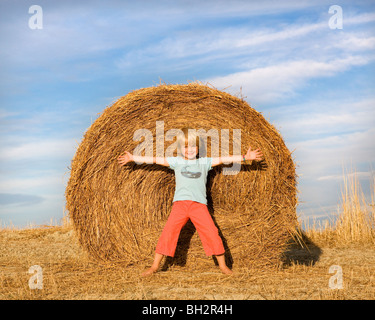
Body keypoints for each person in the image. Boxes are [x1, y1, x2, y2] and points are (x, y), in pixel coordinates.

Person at [117, 128, 263, 276]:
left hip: (199, 205)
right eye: (186, 147)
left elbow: (225, 159)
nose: (190, 150)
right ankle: (154, 266)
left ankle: (223, 266)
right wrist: (133, 157)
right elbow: (155, 160)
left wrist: (246, 157)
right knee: (168, 232)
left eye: (193, 146)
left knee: (212, 233)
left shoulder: (204, 162)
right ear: (180, 149)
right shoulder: (177, 162)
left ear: (198, 148)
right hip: (180, 205)